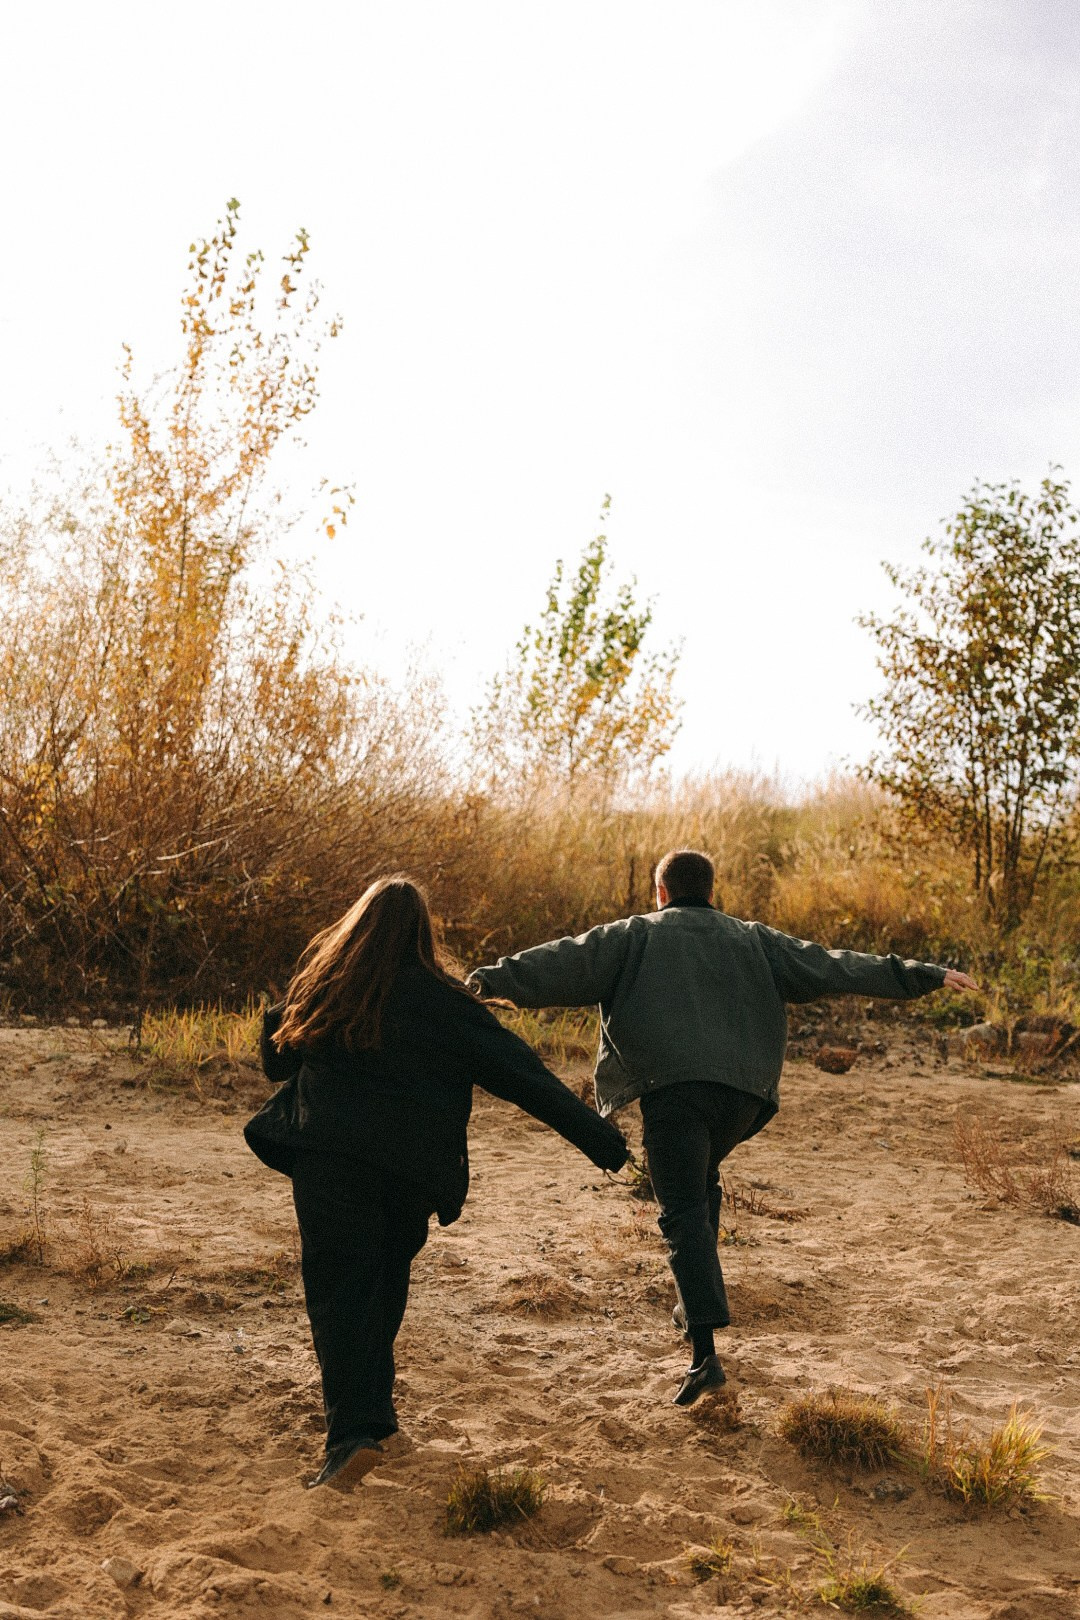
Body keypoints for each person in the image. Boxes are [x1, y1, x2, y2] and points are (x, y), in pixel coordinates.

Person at [468, 848, 978, 1407]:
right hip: (741, 1099)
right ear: (712, 892)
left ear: (660, 892)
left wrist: (483, 982)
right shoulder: (754, 938)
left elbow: (560, 962)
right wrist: (922, 975)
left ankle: (704, 1354)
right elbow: (834, 964)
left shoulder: (634, 934)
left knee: (681, 1210)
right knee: (700, 1184)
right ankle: (691, 1309)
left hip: (673, 1094)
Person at [244, 874, 628, 1491]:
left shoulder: (328, 992)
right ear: (425, 934)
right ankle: (380, 1424)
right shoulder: (449, 1004)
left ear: (355, 929)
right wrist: (599, 1140)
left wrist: (293, 1009)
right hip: (411, 1174)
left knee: (339, 1298)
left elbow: (275, 1060)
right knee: (383, 1289)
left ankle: (350, 1438)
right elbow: (522, 1074)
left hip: (332, 1167)